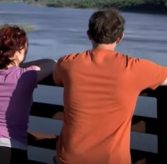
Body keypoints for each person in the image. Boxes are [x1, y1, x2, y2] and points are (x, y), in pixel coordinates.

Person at [53, 9, 167, 164]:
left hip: (69, 159)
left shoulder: (67, 64)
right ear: (120, 38)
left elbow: (57, 78)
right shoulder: (134, 68)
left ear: (89, 35)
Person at [0, 24, 56, 164]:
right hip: (11, 147)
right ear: (21, 49)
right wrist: (20, 66)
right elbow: (52, 63)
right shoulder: (26, 75)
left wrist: (7, 65)